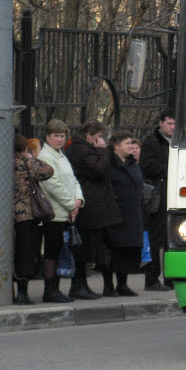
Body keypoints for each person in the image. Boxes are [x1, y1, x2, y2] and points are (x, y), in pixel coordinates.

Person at [66, 120, 122, 299]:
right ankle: (78, 285)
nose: (101, 140)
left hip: (96, 206)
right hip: (90, 207)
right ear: (89, 135)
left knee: (95, 247)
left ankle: (85, 285)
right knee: (84, 249)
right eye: (99, 136)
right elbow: (99, 170)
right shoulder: (81, 150)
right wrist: (101, 150)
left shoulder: (83, 149)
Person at [37, 119, 84, 303]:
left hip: (67, 211)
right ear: (47, 137)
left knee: (61, 250)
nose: (59, 139)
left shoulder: (61, 155)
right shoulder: (45, 156)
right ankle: (49, 290)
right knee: (52, 251)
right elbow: (52, 185)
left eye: (62, 136)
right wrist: (71, 205)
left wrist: (78, 200)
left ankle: (56, 288)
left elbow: (73, 181)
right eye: (55, 136)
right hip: (54, 213)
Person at [12, 133, 53, 305]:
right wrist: (29, 157)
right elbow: (48, 170)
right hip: (23, 214)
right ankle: (22, 293)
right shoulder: (25, 163)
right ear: (24, 148)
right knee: (24, 253)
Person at [105, 131, 145, 296]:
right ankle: (108, 285)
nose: (131, 146)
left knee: (128, 250)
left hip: (133, 212)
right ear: (116, 146)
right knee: (113, 250)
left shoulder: (132, 163)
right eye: (127, 143)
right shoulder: (108, 163)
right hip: (115, 212)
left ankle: (122, 284)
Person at [140, 110, 174, 291]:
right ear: (160, 123)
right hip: (158, 196)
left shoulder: (178, 142)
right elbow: (147, 166)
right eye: (169, 123)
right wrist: (171, 168)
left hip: (174, 196)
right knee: (155, 238)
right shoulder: (151, 142)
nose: (172, 128)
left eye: (175, 124)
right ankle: (152, 278)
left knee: (173, 240)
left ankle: (171, 277)